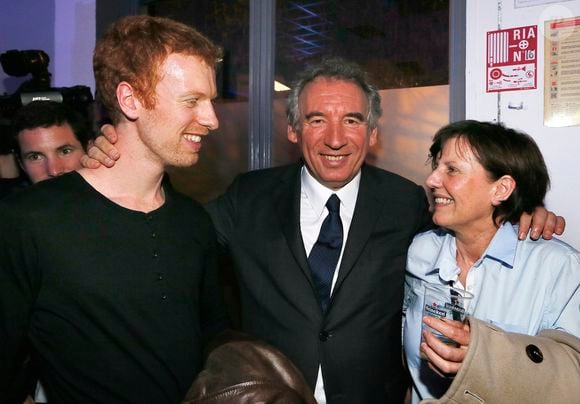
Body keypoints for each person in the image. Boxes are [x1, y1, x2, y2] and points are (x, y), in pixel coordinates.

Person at [84, 58, 564, 403]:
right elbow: (170, 236)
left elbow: (470, 223)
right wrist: (125, 160)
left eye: (352, 120)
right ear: (293, 129)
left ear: (373, 133)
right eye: (318, 120)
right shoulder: (248, 197)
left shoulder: (407, 203)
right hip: (271, 395)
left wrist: (524, 212)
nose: (336, 139)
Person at [0, 15, 228, 404]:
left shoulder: (195, 224)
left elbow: (212, 348)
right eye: (192, 101)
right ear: (130, 99)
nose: (212, 120)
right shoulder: (30, 220)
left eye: (210, 101)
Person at [403, 120, 579, 403]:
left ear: (501, 189)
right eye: (437, 167)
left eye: (452, 170)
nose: (432, 180)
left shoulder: (557, 267)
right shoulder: (421, 252)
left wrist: (486, 355)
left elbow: (571, 376)